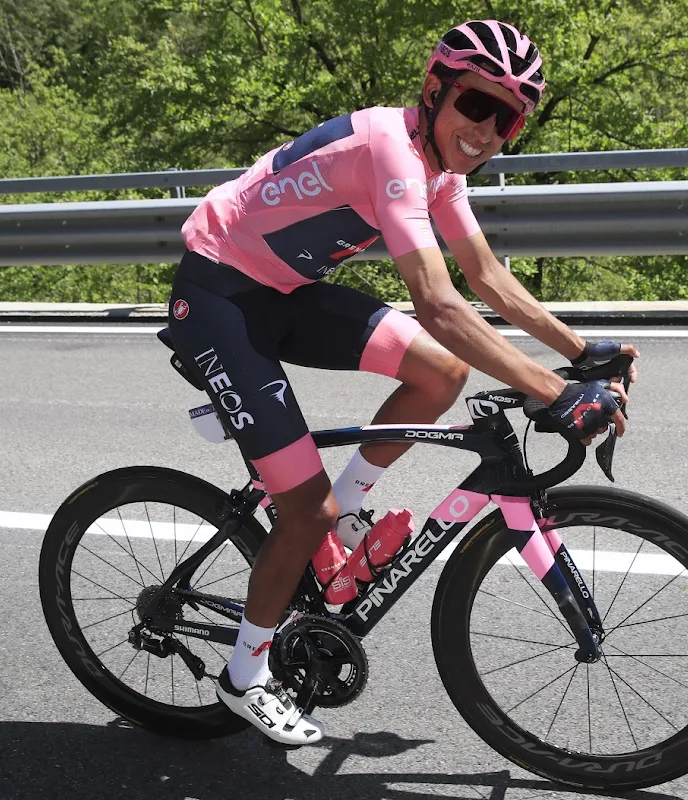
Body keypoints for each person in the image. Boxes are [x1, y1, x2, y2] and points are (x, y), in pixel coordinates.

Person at [166, 19, 640, 747]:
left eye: (506, 117)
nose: (486, 129)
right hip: (220, 297)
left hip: (283, 288)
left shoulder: (442, 169)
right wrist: (553, 392)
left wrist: (582, 353)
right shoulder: (392, 149)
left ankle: (343, 512)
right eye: (475, 105)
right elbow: (440, 303)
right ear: (436, 91)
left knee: (440, 373)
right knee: (306, 514)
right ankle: (245, 676)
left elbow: (485, 278)